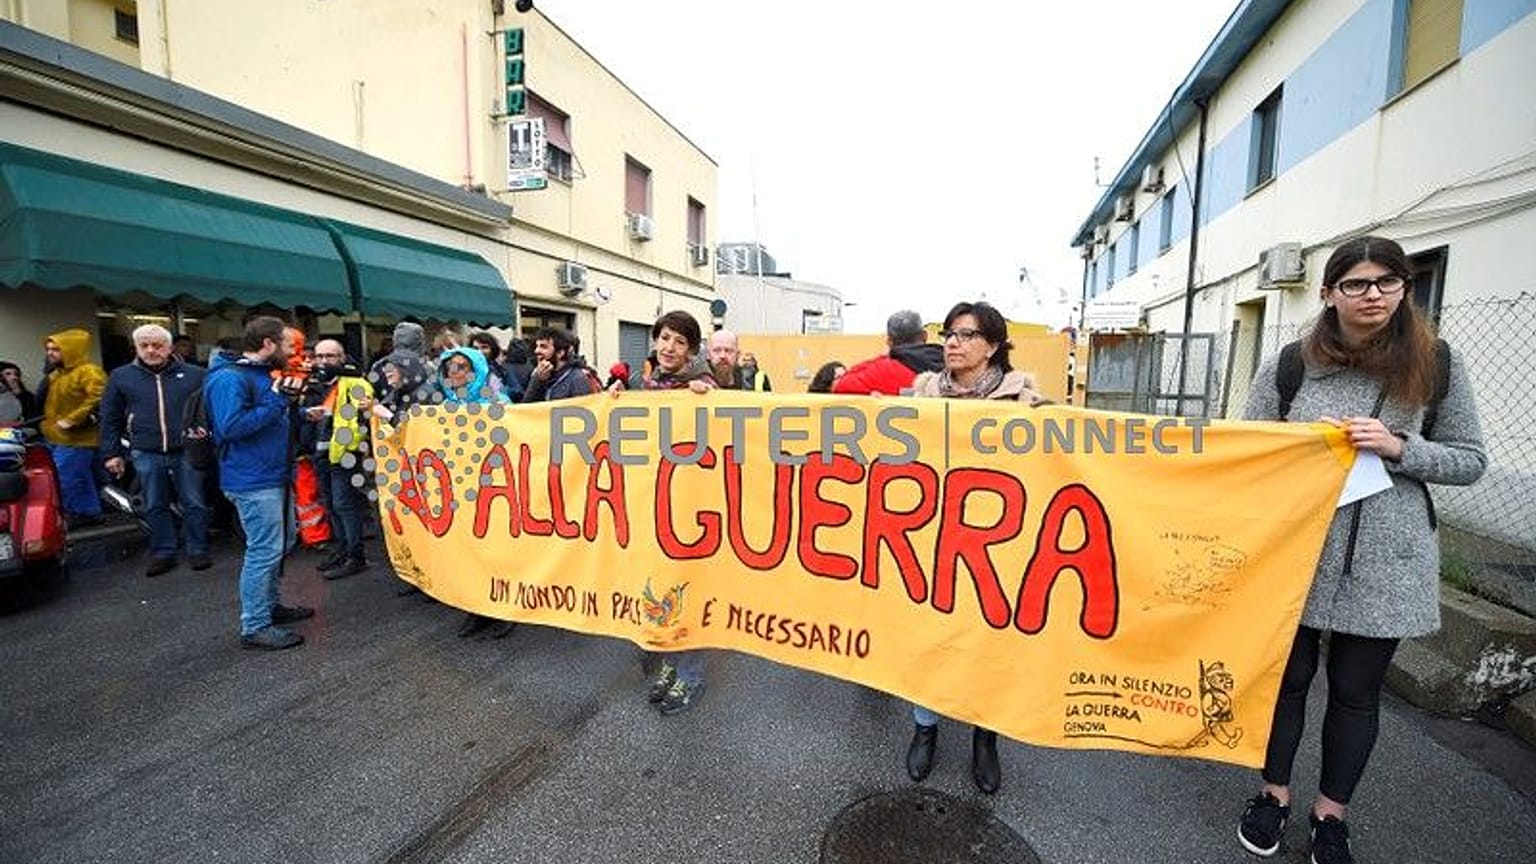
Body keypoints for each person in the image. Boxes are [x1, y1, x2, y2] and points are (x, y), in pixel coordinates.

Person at [1234, 236, 1486, 864]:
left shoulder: (1438, 365)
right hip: (1292, 552)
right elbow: (1248, 448)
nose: (1372, 294)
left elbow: (1471, 461)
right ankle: (1273, 794)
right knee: (1282, 683)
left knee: (1355, 692)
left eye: (1387, 282)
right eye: (1356, 283)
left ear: (1405, 290)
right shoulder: (1289, 365)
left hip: (1385, 561)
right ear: (1328, 293)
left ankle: (1331, 815)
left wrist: (1402, 449)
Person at [903, 301, 1048, 796]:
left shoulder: (1023, 402)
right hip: (928, 542)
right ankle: (925, 727)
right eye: (949, 333)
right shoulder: (920, 395)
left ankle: (985, 737)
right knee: (927, 638)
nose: (953, 343)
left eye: (966, 335)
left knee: (989, 645)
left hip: (996, 546)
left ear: (992, 346)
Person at [609, 311, 715, 715]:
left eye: (681, 342)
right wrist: (613, 397)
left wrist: (711, 400)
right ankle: (671, 663)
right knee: (662, 591)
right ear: (655, 340)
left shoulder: (705, 388)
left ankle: (691, 675)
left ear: (691, 350)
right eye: (665, 338)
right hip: (649, 508)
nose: (670, 347)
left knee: (687, 591)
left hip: (690, 510)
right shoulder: (639, 384)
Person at [205, 316, 314, 651]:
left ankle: (269, 607)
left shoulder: (257, 375)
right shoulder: (229, 379)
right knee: (265, 550)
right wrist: (279, 401)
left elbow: (267, 420)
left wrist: (295, 409)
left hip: (271, 475)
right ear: (268, 344)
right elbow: (231, 427)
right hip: (252, 479)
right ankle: (255, 625)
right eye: (286, 344)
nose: (291, 351)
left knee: (281, 542)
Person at [99, 324, 210, 576]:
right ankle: (163, 552)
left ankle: (198, 549)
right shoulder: (121, 376)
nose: (151, 350)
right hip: (146, 449)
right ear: (136, 348)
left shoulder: (196, 374)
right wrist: (111, 452)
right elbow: (110, 417)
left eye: (157, 345)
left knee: (194, 501)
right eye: (144, 345)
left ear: (169, 347)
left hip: (187, 448)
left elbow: (208, 412)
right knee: (154, 503)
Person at [307, 339, 371, 581]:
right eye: (320, 356)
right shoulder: (315, 383)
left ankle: (356, 556)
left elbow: (359, 422)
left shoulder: (355, 383)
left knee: (345, 506)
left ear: (342, 357)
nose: (324, 361)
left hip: (344, 455)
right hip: (321, 454)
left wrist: (347, 452)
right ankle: (343, 549)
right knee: (332, 505)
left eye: (330, 356)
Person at [40, 328, 108, 526]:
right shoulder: (56, 375)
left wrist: (73, 419)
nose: (50, 353)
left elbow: (99, 397)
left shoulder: (89, 371)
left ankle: (83, 513)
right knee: (82, 476)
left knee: (69, 476)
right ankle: (90, 510)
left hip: (78, 438)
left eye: (55, 349)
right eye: (48, 349)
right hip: (58, 437)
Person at [833, 310, 944, 396]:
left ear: (889, 342)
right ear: (925, 336)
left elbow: (840, 386)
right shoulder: (952, 365)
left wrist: (885, 357)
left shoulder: (879, 370)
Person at [522, 327, 599, 402]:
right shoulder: (538, 375)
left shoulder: (577, 379)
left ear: (560, 353)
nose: (536, 351)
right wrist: (538, 381)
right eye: (537, 346)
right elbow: (526, 409)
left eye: (543, 347)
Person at [705, 330, 771, 391]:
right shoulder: (697, 380)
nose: (723, 356)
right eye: (717, 350)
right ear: (708, 354)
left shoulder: (755, 381)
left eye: (729, 351)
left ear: (738, 354)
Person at [0, 361, 41, 426]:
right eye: (8, 374)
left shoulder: (27, 396)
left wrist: (20, 395)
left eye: (16, 374)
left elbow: (32, 416)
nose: (14, 377)